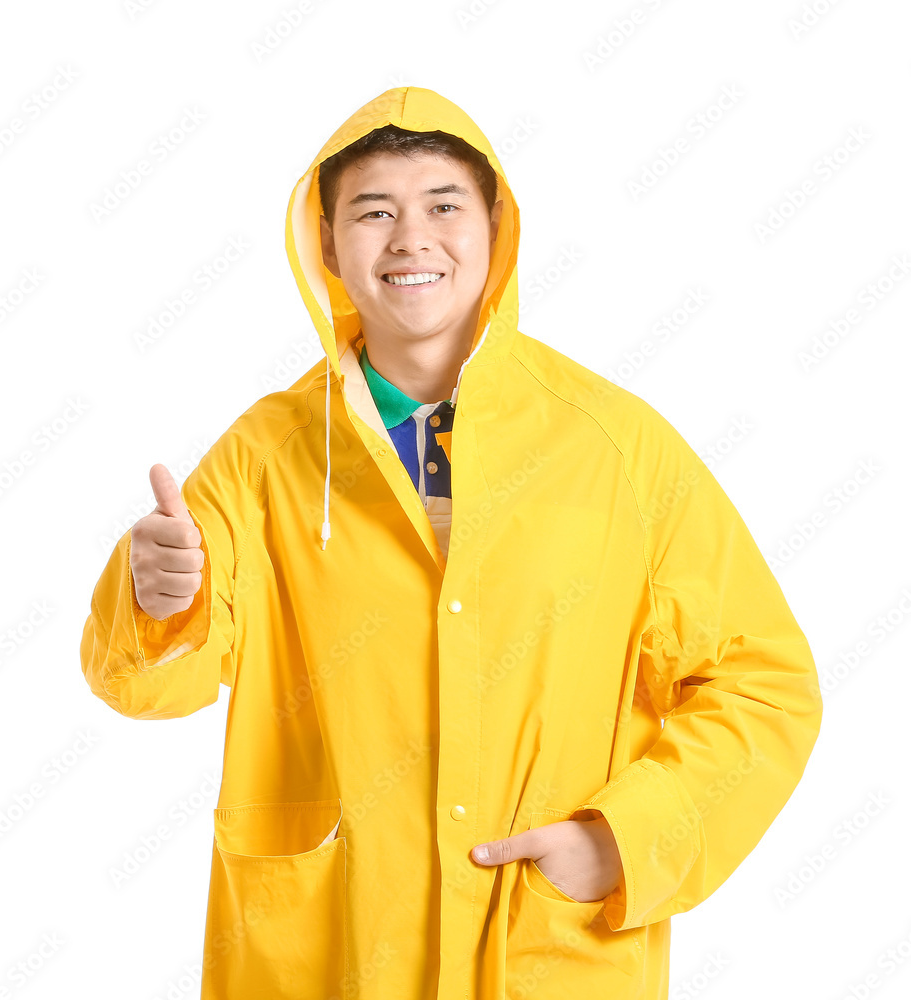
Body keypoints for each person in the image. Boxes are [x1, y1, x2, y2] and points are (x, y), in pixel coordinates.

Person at [80, 86, 823, 1000]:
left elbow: (764, 685)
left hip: (547, 951)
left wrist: (623, 837)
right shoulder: (264, 458)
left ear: (495, 228)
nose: (410, 239)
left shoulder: (616, 449)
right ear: (324, 245)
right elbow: (146, 679)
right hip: (330, 954)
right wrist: (156, 597)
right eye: (373, 211)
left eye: (442, 206)